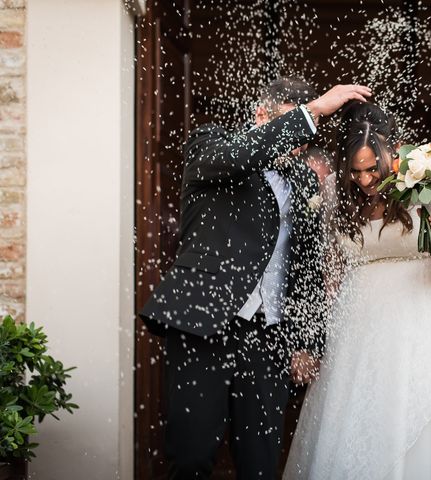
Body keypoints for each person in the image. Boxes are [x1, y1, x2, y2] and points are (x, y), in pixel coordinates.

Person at [138, 78, 372, 479]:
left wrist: (308, 341)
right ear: (262, 115)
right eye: (294, 124)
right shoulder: (212, 145)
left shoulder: (302, 181)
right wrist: (313, 111)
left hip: (269, 338)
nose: (300, 143)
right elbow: (243, 153)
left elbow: (308, 267)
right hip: (202, 325)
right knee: (191, 456)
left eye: (305, 133)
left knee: (261, 465)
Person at [284, 101, 431, 479]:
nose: (365, 179)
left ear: (393, 151)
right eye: (356, 171)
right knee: (356, 423)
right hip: (359, 330)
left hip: (420, 323)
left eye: (373, 168)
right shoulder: (337, 196)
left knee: (410, 420)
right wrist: (312, 336)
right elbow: (330, 271)